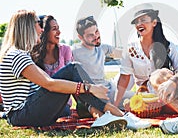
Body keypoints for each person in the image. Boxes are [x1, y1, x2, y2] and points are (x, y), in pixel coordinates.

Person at [0, 10, 149, 130]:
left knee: (72, 70)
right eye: (37, 25)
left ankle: (110, 114)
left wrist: (86, 90)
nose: (40, 30)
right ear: (27, 28)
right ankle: (118, 114)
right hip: (23, 115)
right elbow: (49, 84)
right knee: (73, 68)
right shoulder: (16, 56)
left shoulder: (17, 54)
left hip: (27, 113)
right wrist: (89, 88)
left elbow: (50, 81)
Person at [72, 15, 150, 129]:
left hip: (109, 86)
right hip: (97, 92)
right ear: (80, 37)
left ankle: (143, 90)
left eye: (97, 32)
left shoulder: (102, 48)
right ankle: (124, 115)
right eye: (90, 35)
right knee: (141, 102)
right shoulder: (75, 51)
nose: (96, 36)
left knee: (130, 71)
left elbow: (121, 53)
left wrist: (132, 51)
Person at [114, 4, 178, 114]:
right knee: (119, 100)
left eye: (143, 20)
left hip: (167, 94)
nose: (139, 24)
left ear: (154, 23)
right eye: (136, 22)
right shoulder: (131, 50)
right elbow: (124, 79)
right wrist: (114, 106)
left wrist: (172, 82)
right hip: (145, 99)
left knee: (158, 75)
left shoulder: (168, 46)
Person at [31, 15, 73, 116]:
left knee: (64, 111)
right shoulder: (33, 53)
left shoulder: (65, 50)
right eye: (54, 29)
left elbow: (72, 77)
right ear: (44, 31)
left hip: (62, 102)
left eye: (58, 28)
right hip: (41, 102)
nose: (59, 32)